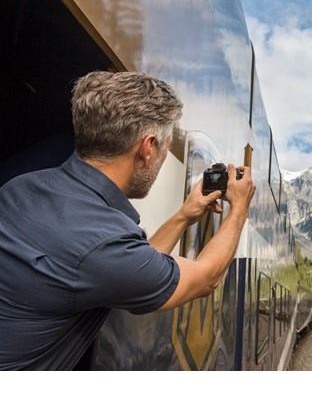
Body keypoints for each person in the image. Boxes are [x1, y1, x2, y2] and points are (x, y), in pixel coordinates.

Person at [0, 71, 256, 370]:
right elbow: (205, 278)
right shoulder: (102, 245)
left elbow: (133, 264)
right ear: (147, 148)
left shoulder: (21, 187)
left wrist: (184, 216)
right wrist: (239, 208)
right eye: (164, 147)